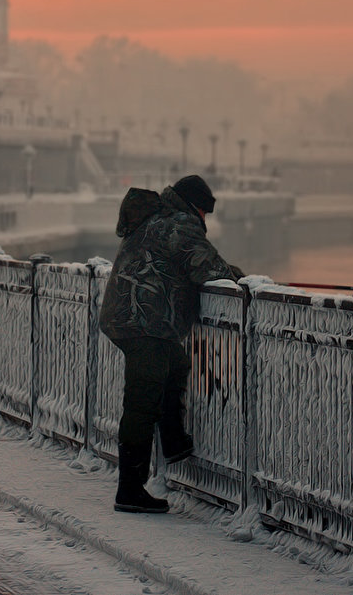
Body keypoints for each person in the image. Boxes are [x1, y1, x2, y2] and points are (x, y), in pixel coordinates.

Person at [100, 174, 245, 514]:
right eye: (204, 213)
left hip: (132, 317)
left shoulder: (157, 217)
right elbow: (207, 267)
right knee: (141, 400)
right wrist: (241, 278)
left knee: (176, 363)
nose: (205, 220)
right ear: (195, 207)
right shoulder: (179, 223)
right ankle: (130, 490)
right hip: (143, 321)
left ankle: (174, 441)